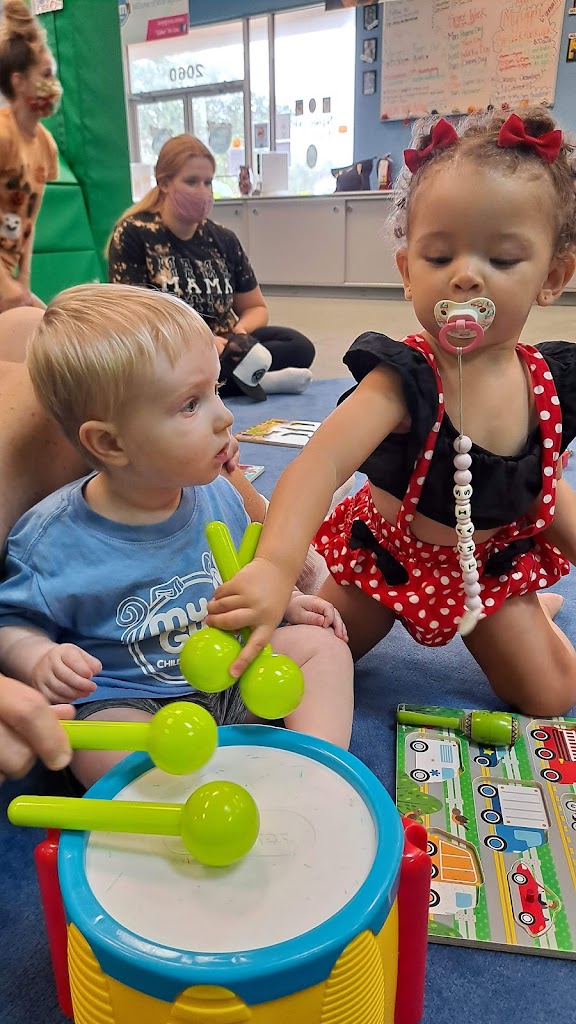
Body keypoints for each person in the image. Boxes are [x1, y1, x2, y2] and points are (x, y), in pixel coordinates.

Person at [207, 107, 576, 718]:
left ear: (553, 276)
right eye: (439, 257)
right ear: (407, 272)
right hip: (385, 563)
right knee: (310, 655)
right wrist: (273, 568)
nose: (466, 278)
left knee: (552, 696)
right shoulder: (403, 378)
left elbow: (543, 488)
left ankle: (534, 610)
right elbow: (322, 464)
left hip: (486, 573)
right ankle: (315, 583)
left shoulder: (548, 383)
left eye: (503, 260)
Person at [0, 284, 353, 790]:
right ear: (110, 442)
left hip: (234, 671)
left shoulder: (218, 493)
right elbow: (11, 622)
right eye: (191, 404)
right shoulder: (48, 539)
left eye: (216, 390)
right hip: (131, 698)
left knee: (322, 649)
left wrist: (289, 602)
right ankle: (171, 797)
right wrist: (37, 656)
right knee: (91, 736)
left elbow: (245, 574)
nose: (226, 416)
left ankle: (320, 771)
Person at [108, 134, 314, 400]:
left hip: (226, 345)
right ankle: (253, 380)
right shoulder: (134, 233)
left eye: (208, 182)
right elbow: (133, 320)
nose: (203, 191)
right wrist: (202, 342)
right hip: (172, 346)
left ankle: (225, 381)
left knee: (299, 347)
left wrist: (239, 334)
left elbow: (255, 307)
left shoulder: (223, 239)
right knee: (151, 369)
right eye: (191, 181)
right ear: (164, 183)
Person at [0, 0, 60, 313]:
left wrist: (22, 281)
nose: (54, 86)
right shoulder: (4, 136)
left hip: (7, 271)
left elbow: (26, 221)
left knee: (49, 321)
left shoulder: (46, 146)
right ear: (19, 82)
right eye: (46, 75)